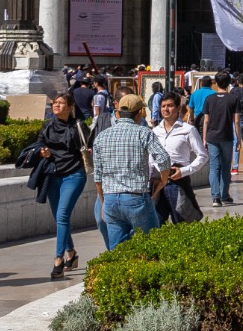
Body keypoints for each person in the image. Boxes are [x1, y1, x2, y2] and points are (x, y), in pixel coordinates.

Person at [88, 95, 170, 251]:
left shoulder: (102, 137)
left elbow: (98, 177)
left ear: (118, 113)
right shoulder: (143, 133)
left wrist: (103, 203)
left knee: (118, 251)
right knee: (152, 244)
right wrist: (162, 181)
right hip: (136, 197)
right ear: (139, 113)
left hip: (111, 199)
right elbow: (164, 159)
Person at [28, 92, 91, 281]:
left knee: (63, 215)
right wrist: (42, 151)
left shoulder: (78, 126)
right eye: (55, 102)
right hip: (52, 175)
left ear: (70, 107)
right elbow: (38, 144)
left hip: (74, 174)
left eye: (61, 103)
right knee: (59, 218)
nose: (57, 105)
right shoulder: (47, 126)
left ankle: (58, 260)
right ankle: (71, 253)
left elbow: (89, 145)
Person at [148, 94, 207, 225]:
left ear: (178, 108)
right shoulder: (155, 131)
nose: (166, 109)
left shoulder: (188, 130)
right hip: (158, 183)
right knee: (156, 223)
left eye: (169, 106)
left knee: (182, 222)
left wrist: (184, 171)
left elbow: (203, 156)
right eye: (163, 106)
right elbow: (151, 159)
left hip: (178, 182)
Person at [197, 74, 243, 207]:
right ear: (228, 83)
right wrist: (239, 139)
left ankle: (215, 198)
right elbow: (237, 121)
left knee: (214, 167)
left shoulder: (209, 99)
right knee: (225, 166)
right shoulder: (233, 99)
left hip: (212, 137)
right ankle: (224, 195)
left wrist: (204, 138)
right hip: (227, 137)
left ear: (216, 83)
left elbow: (205, 121)